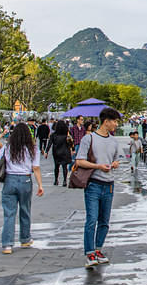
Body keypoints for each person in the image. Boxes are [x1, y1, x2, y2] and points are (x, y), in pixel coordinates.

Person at [75, 107, 123, 267]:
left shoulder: (114, 141)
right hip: (94, 184)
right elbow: (79, 161)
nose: (116, 124)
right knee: (92, 219)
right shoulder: (89, 139)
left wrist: (115, 164)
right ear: (106, 121)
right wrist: (98, 166)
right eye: (114, 121)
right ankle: (89, 253)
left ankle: (98, 249)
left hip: (109, 185)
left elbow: (118, 159)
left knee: (104, 221)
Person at [0, 123, 43, 254]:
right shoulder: (32, 149)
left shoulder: (7, 147)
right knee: (25, 210)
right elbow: (36, 168)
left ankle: (7, 244)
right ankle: (25, 238)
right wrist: (40, 184)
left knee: (9, 213)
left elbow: (1, 165)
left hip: (9, 180)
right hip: (25, 180)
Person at [50, 120, 73, 186]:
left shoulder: (53, 135)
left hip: (56, 152)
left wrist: (46, 151)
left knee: (56, 166)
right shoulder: (67, 134)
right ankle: (64, 180)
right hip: (65, 151)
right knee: (64, 167)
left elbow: (50, 143)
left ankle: (56, 180)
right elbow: (71, 142)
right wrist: (72, 149)